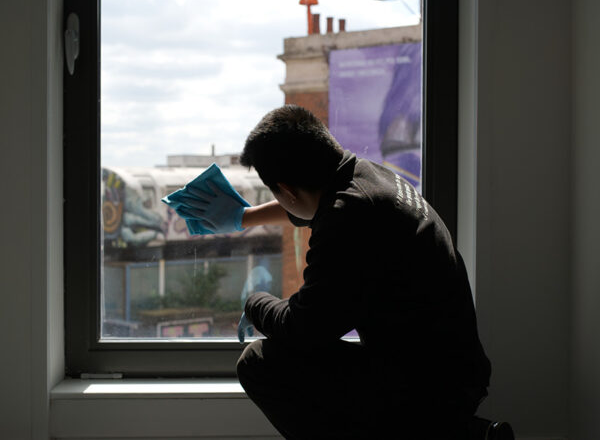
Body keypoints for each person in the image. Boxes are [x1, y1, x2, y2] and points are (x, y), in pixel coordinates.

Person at [177, 105, 510, 439]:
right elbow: (312, 208)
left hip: (429, 389)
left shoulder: (347, 217)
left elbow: (303, 328)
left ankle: (449, 431)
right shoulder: (369, 179)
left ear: (286, 190)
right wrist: (244, 217)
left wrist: (254, 303)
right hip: (454, 372)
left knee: (260, 362)